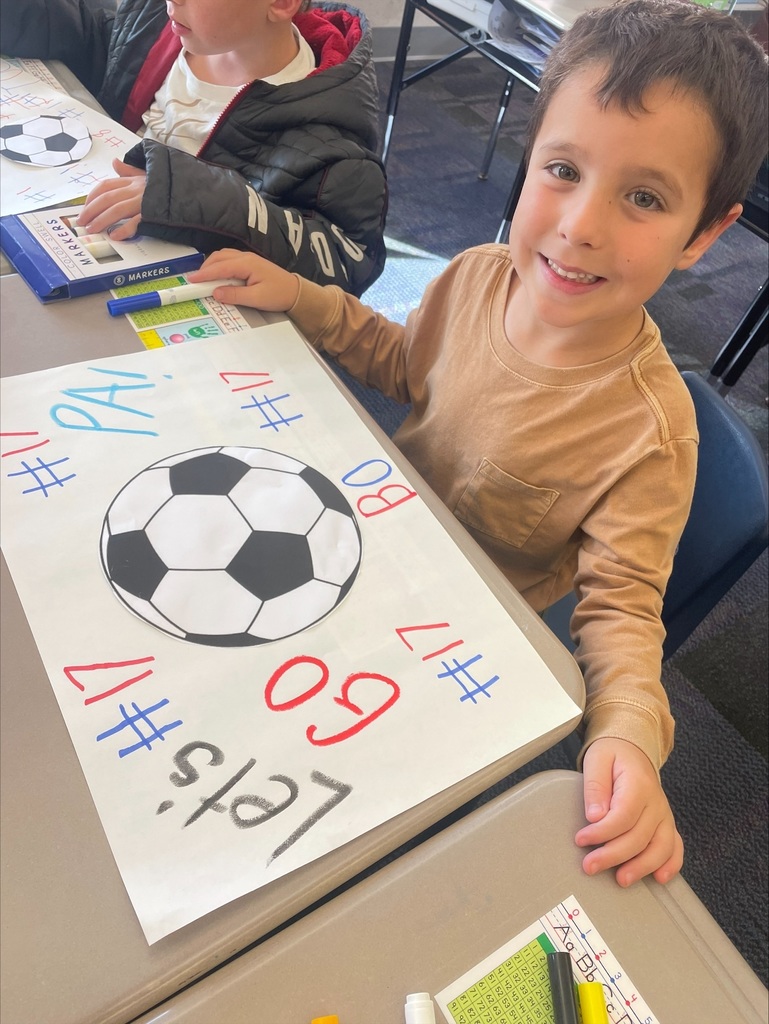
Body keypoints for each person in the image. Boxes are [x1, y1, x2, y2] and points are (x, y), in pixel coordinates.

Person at [194, 0, 766, 886]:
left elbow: (621, 617)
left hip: (447, 646)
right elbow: (401, 361)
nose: (580, 225)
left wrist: (627, 737)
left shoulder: (648, 438)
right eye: (563, 169)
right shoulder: (473, 274)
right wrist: (301, 296)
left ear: (704, 234)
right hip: (360, 548)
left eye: (643, 197)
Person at [1, 0, 387, 295]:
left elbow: (347, 266)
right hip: (81, 227)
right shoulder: (163, 22)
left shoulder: (330, 134)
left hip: (188, 292)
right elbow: (102, 42)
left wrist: (194, 196)